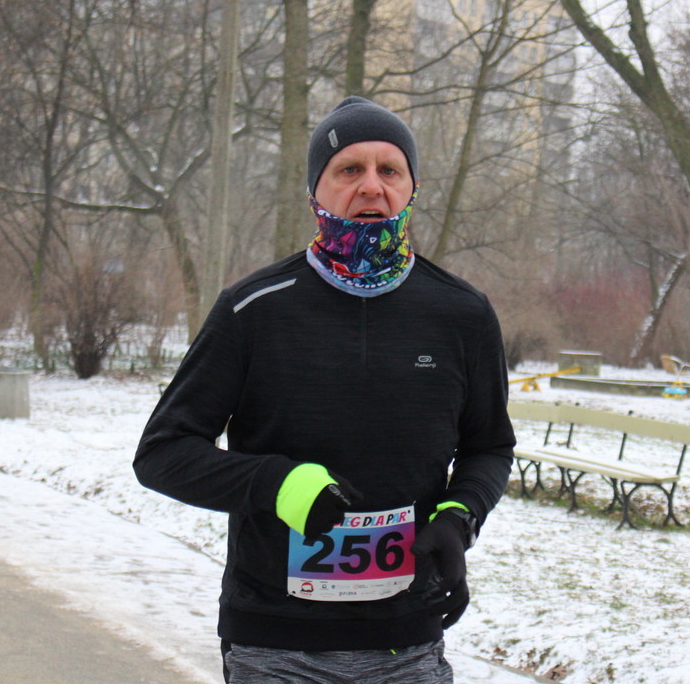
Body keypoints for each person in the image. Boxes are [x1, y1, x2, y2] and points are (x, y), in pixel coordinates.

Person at [134, 96, 516, 684]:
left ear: (412, 187)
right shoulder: (253, 309)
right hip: (275, 641)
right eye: (349, 169)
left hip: (408, 640)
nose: (371, 186)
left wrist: (460, 515)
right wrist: (276, 483)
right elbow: (162, 454)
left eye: (390, 170)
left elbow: (489, 446)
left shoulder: (461, 313)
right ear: (316, 189)